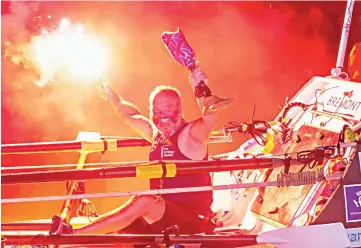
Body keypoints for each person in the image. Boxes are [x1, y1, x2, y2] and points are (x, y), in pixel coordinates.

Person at [50, 67, 225, 237]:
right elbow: (128, 114)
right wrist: (111, 94)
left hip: (191, 223)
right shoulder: (155, 134)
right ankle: (63, 242)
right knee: (120, 233)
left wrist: (200, 88)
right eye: (156, 110)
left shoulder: (191, 135)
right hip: (163, 218)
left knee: (144, 201)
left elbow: (209, 119)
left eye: (167, 108)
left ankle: (72, 234)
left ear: (180, 108)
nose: (162, 115)